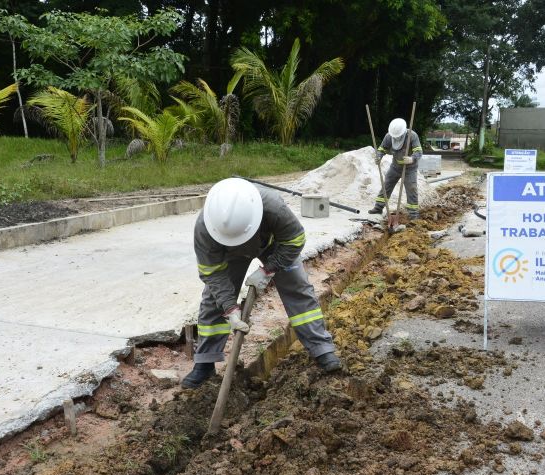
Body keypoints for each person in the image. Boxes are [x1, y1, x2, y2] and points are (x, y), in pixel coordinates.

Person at [181, 177, 342, 389]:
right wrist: (229, 307)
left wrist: (269, 269)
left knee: (298, 289)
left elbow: (294, 240)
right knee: (213, 301)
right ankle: (205, 362)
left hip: (275, 246)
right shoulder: (205, 227)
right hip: (230, 254)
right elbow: (211, 273)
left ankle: (321, 348)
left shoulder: (272, 206)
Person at [368, 117, 424, 219]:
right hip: (395, 167)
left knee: (412, 189)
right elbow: (382, 148)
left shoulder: (412, 135)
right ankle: (378, 208)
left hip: (410, 169)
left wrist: (412, 158)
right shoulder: (389, 136)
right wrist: (379, 156)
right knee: (386, 185)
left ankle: (413, 214)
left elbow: (419, 152)